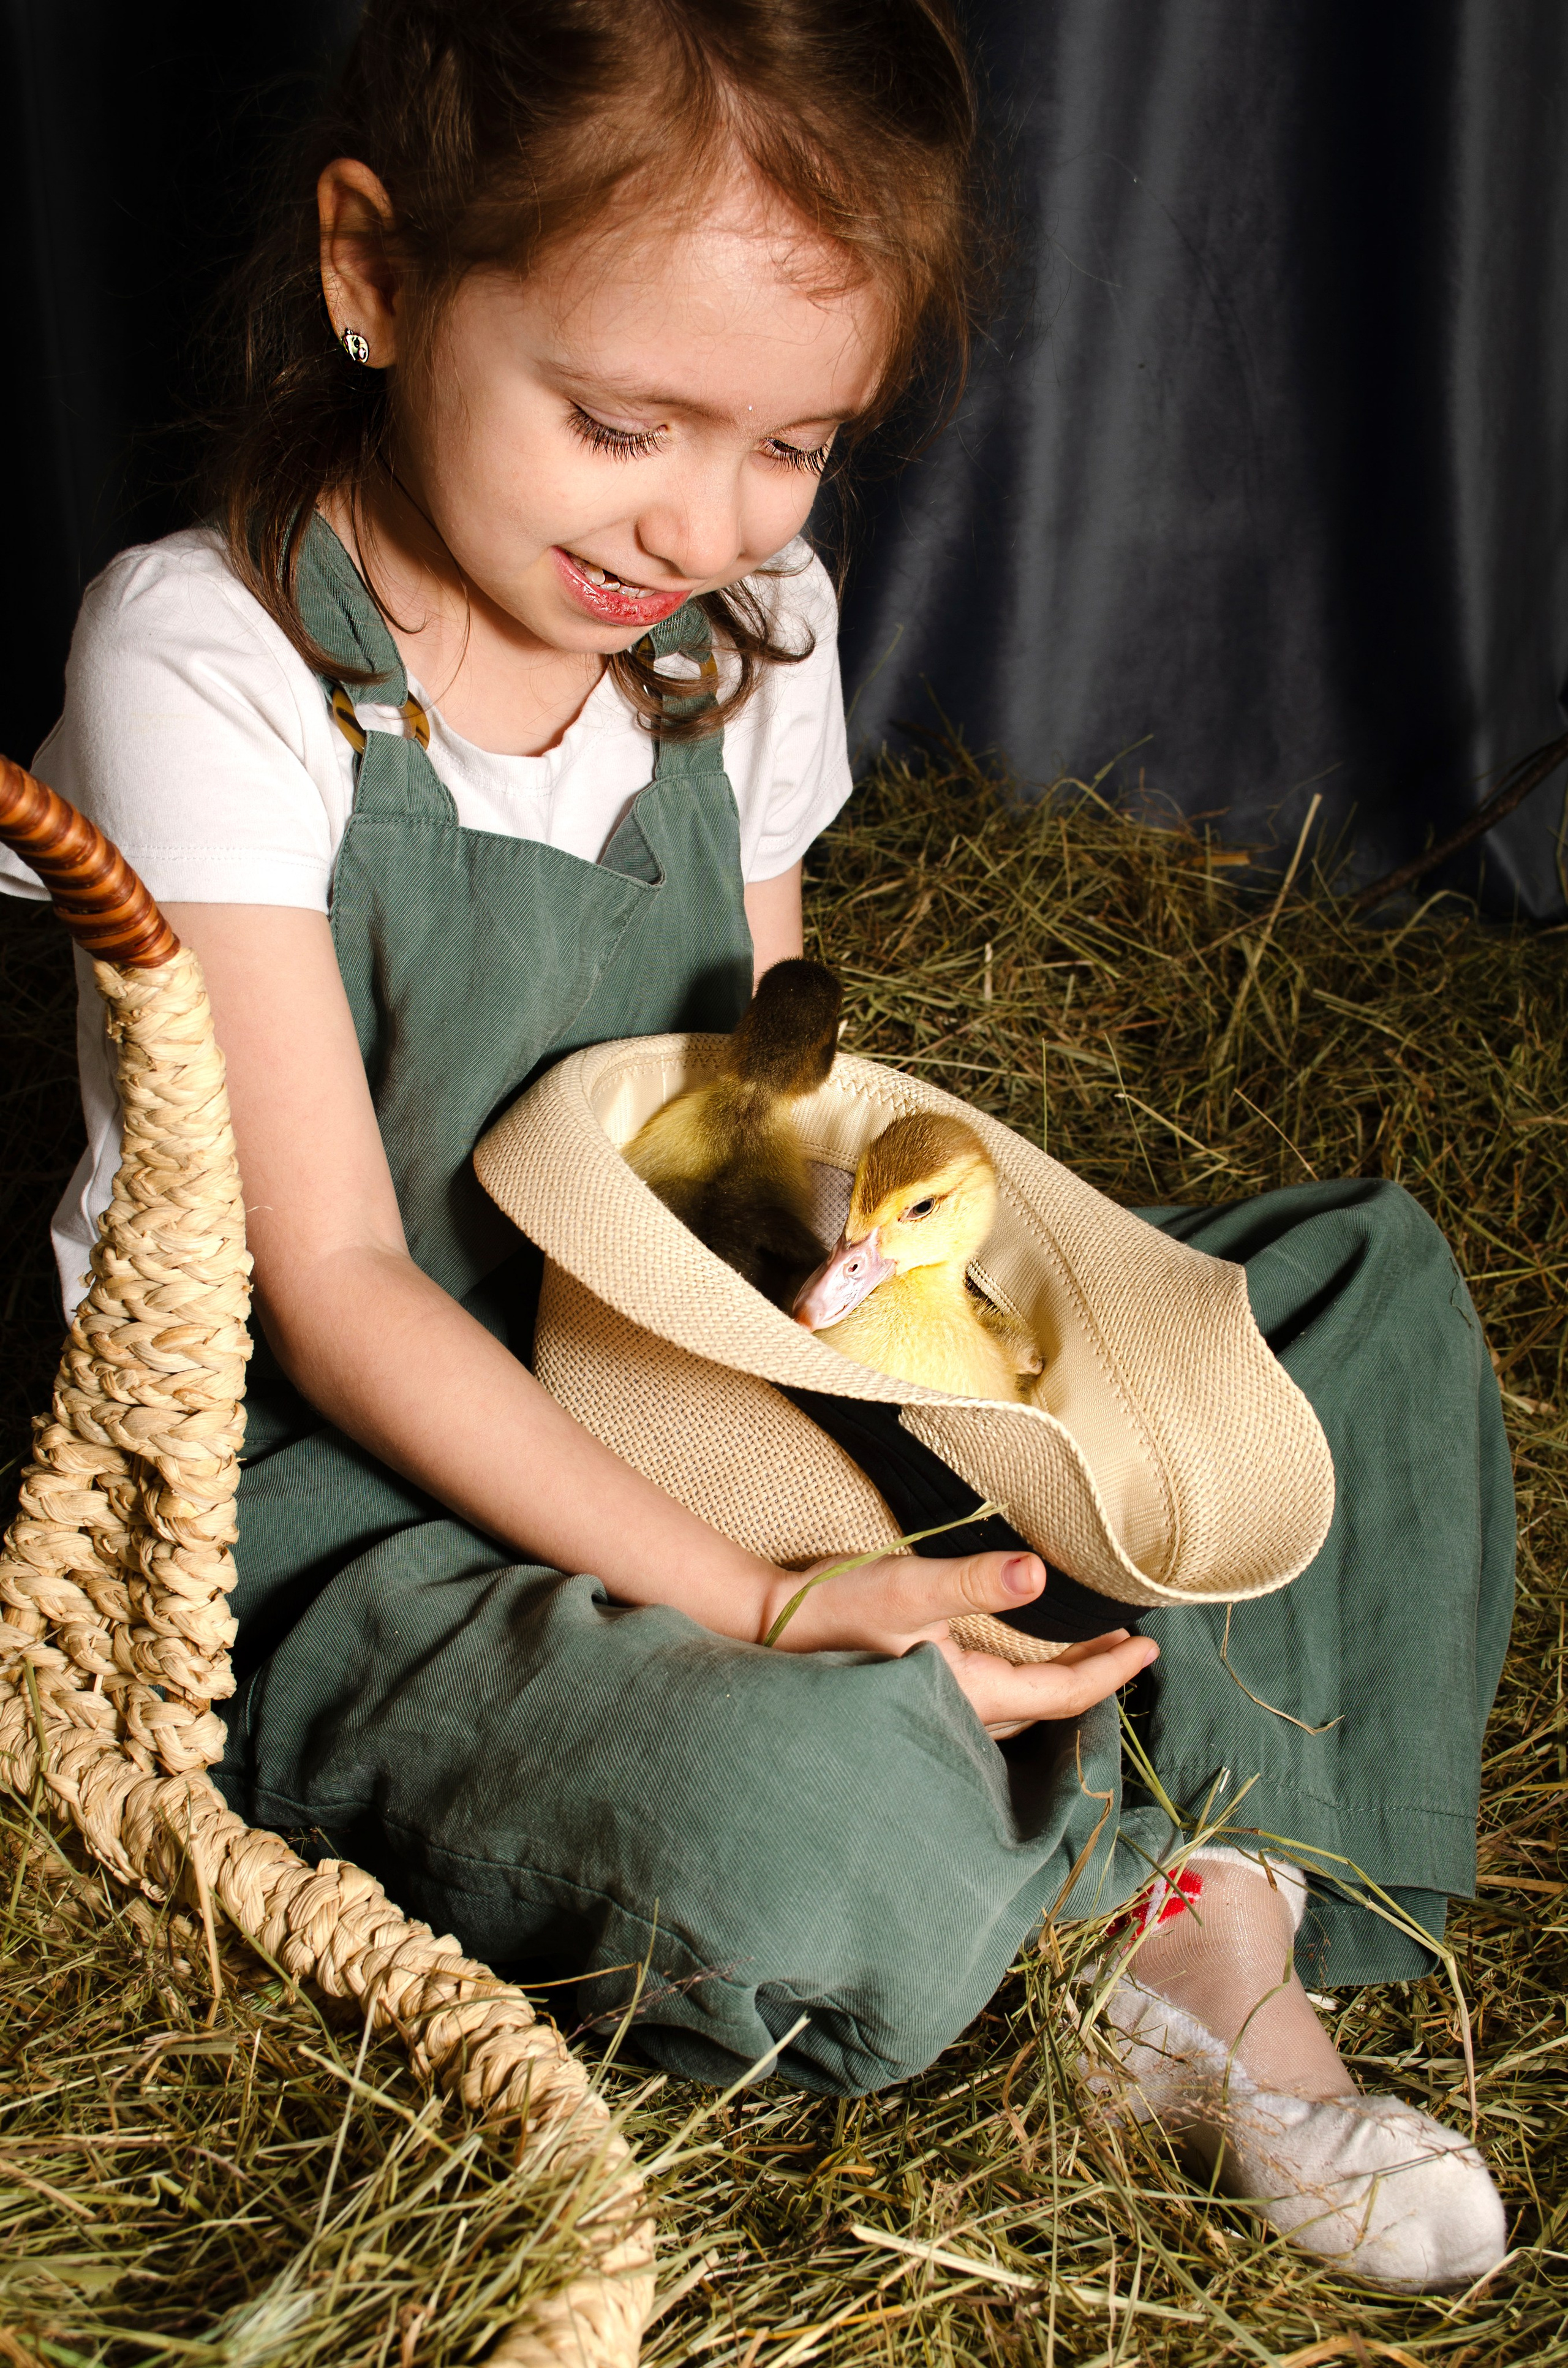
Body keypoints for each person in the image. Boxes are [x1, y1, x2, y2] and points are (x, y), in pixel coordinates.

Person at [0, 0, 1512, 2290]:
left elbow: (759, 1107)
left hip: (691, 1351)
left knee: (1353, 1303)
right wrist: (776, 1602)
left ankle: (1190, 1873)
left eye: (794, 445)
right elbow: (334, 1278)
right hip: (357, 1484)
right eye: (622, 423)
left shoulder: (745, 626)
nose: (700, 525)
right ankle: (1140, 1900)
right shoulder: (208, 658)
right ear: (374, 276)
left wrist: (944, 1354)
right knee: (781, 1817)